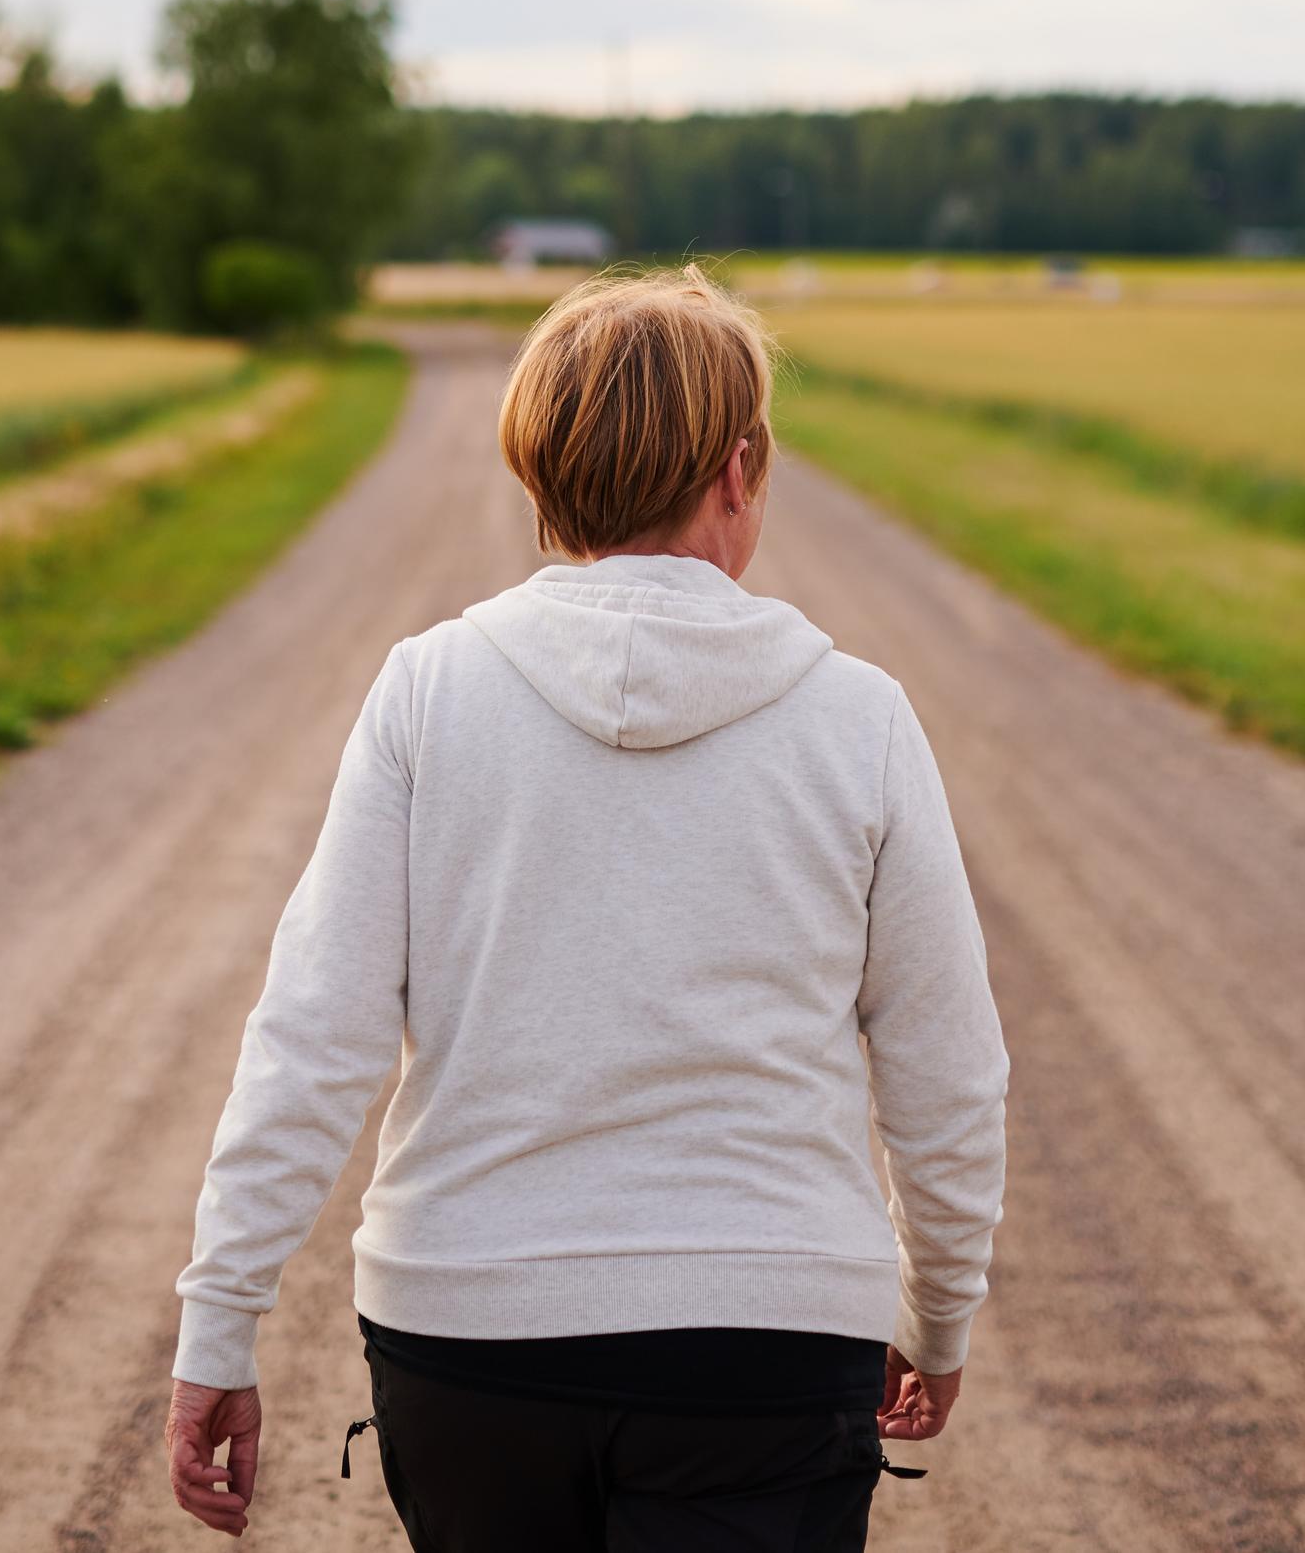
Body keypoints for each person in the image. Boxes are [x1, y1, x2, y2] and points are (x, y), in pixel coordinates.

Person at [166, 266, 1011, 1549]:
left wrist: (221, 1319)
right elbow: (947, 1070)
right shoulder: (861, 721)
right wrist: (935, 1315)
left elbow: (313, 1034)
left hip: (468, 1338)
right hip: (768, 1352)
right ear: (740, 468)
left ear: (538, 472)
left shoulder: (428, 695)